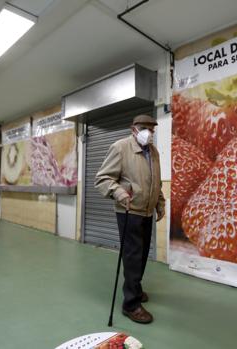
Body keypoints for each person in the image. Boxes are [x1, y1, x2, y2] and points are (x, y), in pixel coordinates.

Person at [95, 114, 165, 324]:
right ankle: (131, 304)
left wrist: (160, 204)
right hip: (129, 209)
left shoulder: (153, 152)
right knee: (133, 255)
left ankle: (136, 287)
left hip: (146, 210)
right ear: (133, 128)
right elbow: (102, 178)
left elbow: (156, 182)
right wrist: (118, 192)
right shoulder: (120, 147)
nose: (148, 132)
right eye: (144, 127)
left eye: (151, 129)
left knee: (142, 254)